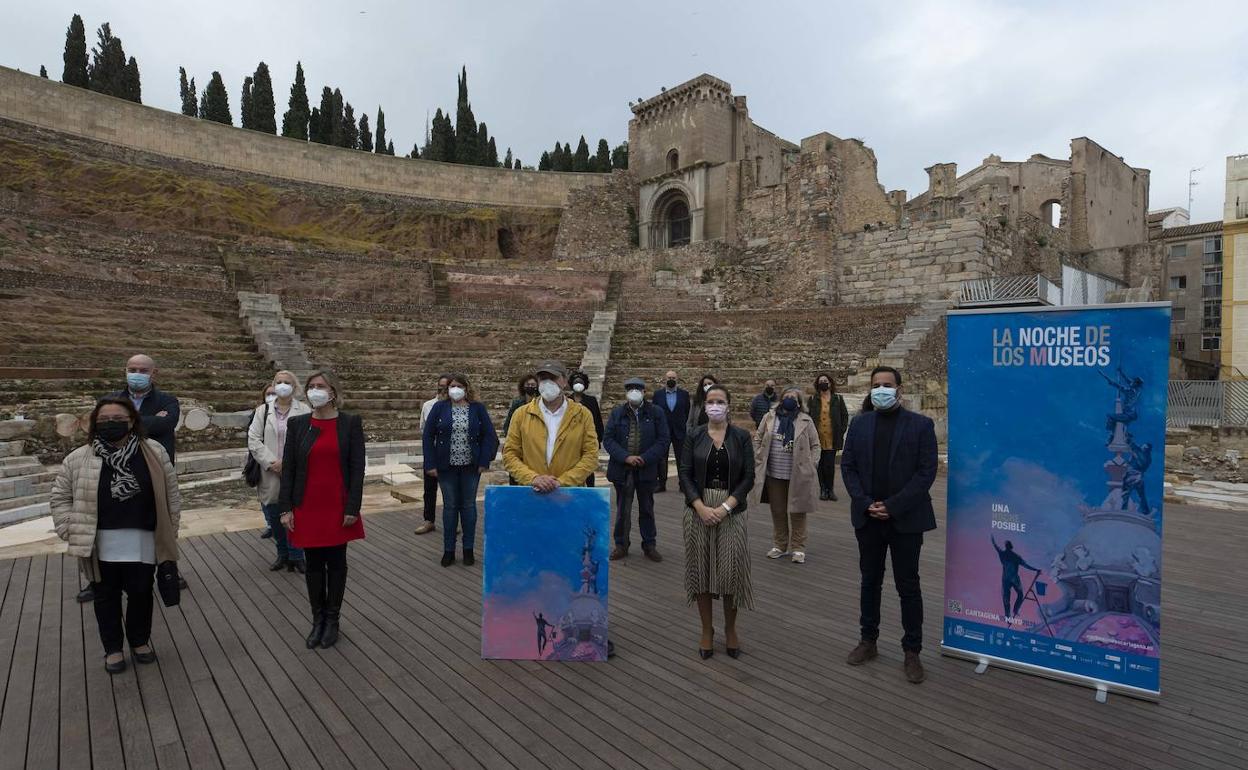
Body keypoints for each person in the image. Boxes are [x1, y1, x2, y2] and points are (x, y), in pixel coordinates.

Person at [50, 397, 180, 673]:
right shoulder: (78, 458)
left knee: (141, 594)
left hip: (143, 539)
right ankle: (112, 649)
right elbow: (60, 498)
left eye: (118, 419)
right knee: (105, 598)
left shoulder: (153, 451)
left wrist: (171, 531)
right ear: (94, 425)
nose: (111, 424)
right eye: (104, 420)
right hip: (99, 542)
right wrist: (69, 528)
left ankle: (139, 641)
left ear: (132, 421)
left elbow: (171, 495)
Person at [502, 360, 610, 656]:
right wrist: (533, 478)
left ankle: (580, 629)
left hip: (569, 498)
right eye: (542, 378)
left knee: (571, 563)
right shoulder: (522, 414)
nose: (546, 383)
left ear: (564, 381)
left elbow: (591, 454)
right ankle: (532, 628)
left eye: (552, 378)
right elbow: (510, 454)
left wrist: (563, 481)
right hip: (532, 497)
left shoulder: (582, 414)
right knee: (535, 562)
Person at [841, 366, 938, 684]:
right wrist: (865, 502)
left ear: (899, 389)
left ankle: (912, 651)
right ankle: (868, 641)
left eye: (887, 385)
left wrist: (893, 506)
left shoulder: (921, 425)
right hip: (868, 518)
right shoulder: (859, 424)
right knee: (870, 581)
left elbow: (925, 473)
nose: (880, 389)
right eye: (876, 385)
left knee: (908, 586)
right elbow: (849, 467)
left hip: (906, 519)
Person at [79, 353, 183, 603]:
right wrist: (149, 422)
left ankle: (168, 571)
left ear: (154, 373)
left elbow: (166, 426)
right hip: (113, 470)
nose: (136, 373)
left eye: (142, 370)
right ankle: (97, 580)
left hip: (153, 471)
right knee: (104, 523)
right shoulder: (110, 399)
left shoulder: (168, 400)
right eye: (132, 368)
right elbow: (98, 428)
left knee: (160, 522)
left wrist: (126, 422)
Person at [277, 369, 366, 650]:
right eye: (311, 386)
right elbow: (289, 469)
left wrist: (353, 506)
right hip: (308, 504)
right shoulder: (298, 424)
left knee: (337, 563)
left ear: (333, 392)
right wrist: (285, 508)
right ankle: (318, 621)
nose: (315, 390)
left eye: (321, 386)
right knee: (314, 564)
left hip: (337, 505)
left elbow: (357, 469)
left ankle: (333, 620)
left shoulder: (350, 423)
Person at [679, 385, 755, 660]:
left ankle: (731, 629)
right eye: (710, 401)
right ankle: (706, 630)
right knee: (701, 570)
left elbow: (748, 477)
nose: (715, 405)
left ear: (728, 405)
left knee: (730, 571)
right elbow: (685, 473)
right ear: (704, 406)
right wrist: (699, 506)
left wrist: (724, 507)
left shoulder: (741, 437)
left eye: (720, 401)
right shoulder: (694, 436)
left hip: (731, 508)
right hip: (698, 507)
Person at [422, 374, 498, 567]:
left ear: (466, 388)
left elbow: (489, 435)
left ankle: (468, 549)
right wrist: (430, 464)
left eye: (458, 386)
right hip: (445, 467)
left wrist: (484, 460)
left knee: (468, 507)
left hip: (470, 467)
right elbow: (428, 436)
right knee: (449, 507)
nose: (454, 389)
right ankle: (448, 550)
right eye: (451, 386)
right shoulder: (439, 407)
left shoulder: (477, 408)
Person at [248, 371, 311, 573]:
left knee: (297, 513)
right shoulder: (262, 411)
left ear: (295, 386)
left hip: (295, 470)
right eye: (279, 382)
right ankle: (282, 553)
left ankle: (297, 555)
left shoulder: (304, 410)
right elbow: (254, 439)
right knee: (274, 514)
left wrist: (289, 463)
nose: (283, 385)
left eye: (288, 382)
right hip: (270, 471)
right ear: (273, 385)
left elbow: (309, 439)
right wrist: (272, 462)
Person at [603, 377, 670, 562]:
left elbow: (663, 439)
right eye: (630, 388)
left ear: (643, 392)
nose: (634, 391)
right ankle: (621, 544)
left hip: (646, 469)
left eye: (637, 388)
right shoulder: (617, 413)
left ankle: (649, 544)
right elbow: (608, 439)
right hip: (622, 469)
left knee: (647, 507)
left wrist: (645, 458)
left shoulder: (656, 412)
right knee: (623, 509)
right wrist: (626, 457)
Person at [753, 386, 821, 564]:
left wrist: (812, 464)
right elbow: (758, 438)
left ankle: (798, 548)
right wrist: (758, 455)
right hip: (774, 473)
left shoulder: (805, 420)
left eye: (794, 397)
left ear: (799, 402)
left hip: (798, 474)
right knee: (778, 510)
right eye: (786, 396)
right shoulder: (769, 417)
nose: (789, 399)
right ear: (781, 399)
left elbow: (816, 445)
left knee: (798, 511)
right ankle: (780, 545)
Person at [415, 374, 451, 535]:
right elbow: (424, 430)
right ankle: (429, 521)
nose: (442, 390)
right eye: (440, 386)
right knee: (429, 489)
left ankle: (451, 522)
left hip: (449, 454)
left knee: (449, 490)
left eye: (446, 386)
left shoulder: (456, 405)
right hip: (432, 453)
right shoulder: (428, 405)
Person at [808, 372, 849, 501]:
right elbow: (808, 417)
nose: (823, 383)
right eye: (821, 381)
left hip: (832, 437)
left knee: (829, 465)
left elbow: (844, 416)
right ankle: (823, 490)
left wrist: (841, 431)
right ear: (817, 384)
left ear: (830, 383)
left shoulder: (838, 399)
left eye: (825, 380)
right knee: (820, 464)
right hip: (817, 438)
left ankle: (830, 489)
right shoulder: (813, 399)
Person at [652, 370, 690, 493]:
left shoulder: (684, 394)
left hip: (679, 431)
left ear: (677, 379)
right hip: (663, 431)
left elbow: (687, 411)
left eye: (673, 378)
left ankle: (683, 484)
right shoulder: (657, 395)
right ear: (665, 379)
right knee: (662, 459)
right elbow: (654, 412)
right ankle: (661, 484)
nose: (671, 380)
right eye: (669, 377)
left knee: (682, 459)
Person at [568, 369, 605, 487]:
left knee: (588, 468)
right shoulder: (566, 400)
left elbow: (597, 421)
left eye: (581, 382)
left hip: (587, 439)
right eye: (576, 382)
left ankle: (590, 490)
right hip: (571, 440)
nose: (578, 384)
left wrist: (598, 440)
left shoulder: (591, 400)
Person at [502, 373, 538, 486]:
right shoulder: (517, 403)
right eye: (528, 384)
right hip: (519, 442)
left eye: (533, 384)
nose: (531, 386)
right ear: (523, 386)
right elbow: (508, 424)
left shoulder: (541, 402)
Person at [993, 536, 1040, 620]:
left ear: (1006, 546)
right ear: (1011, 547)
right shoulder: (1015, 556)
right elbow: (1026, 565)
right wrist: (1035, 569)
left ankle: (1008, 615)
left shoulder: (1002, 554)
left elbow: (996, 547)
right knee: (1019, 594)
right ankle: (1014, 610)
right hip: (1013, 579)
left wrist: (992, 540)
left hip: (1006, 580)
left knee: (1006, 598)